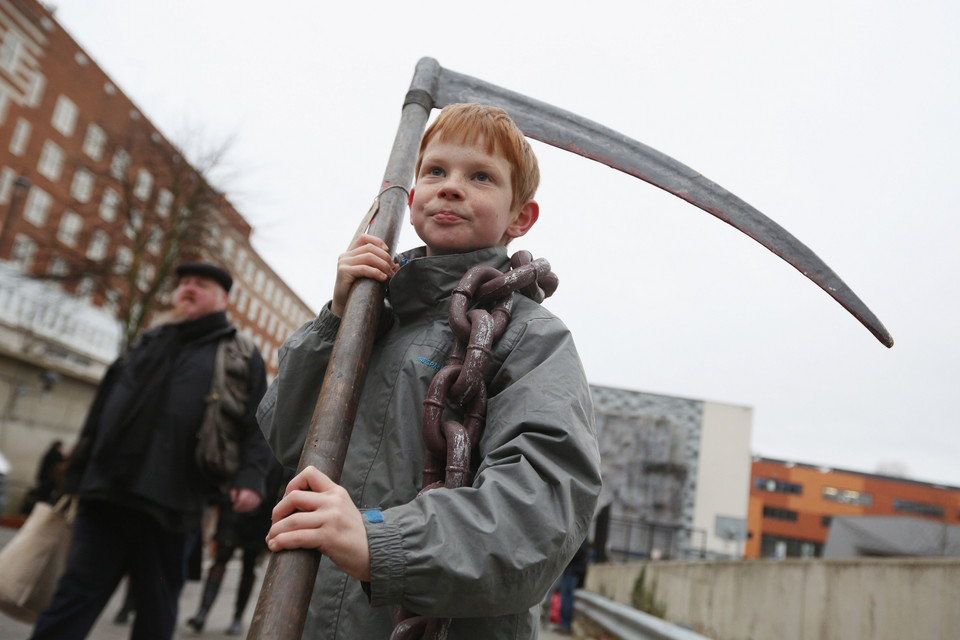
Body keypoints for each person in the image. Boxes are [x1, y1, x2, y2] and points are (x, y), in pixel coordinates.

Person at [258, 103, 603, 639]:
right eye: (435, 171)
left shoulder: (532, 339)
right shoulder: (373, 320)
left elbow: (541, 512)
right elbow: (288, 440)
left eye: (480, 176)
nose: (451, 187)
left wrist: (380, 542)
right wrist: (337, 321)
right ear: (412, 193)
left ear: (520, 217)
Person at [29, 262, 274, 640]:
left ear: (223, 298)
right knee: (72, 600)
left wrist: (250, 477)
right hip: (106, 496)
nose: (189, 289)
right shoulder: (147, 340)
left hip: (173, 505)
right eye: (184, 283)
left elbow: (255, 421)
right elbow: (102, 409)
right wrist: (77, 475)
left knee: (156, 610)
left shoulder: (240, 353)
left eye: (201, 285)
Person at [187, 458, 291, 635]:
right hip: (234, 510)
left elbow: (286, 480)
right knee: (220, 559)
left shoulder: (280, 452)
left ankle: (237, 619)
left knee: (248, 566)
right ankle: (202, 613)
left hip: (263, 515)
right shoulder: (255, 436)